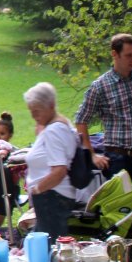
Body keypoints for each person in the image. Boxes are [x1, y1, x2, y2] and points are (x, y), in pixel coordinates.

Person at [75, 34, 132, 181]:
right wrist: (91, 154)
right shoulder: (100, 86)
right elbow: (81, 119)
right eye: (129, 56)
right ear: (114, 54)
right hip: (118, 158)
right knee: (122, 202)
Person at [24, 82, 78, 240]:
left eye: (37, 110)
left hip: (52, 197)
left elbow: (59, 170)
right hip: (54, 196)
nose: (33, 115)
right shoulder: (60, 125)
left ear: (51, 105)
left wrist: (38, 189)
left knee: (49, 245)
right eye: (31, 111)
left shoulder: (54, 131)